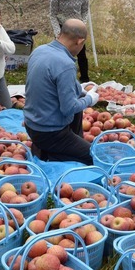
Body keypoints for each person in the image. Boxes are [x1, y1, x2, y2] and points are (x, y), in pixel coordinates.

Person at [23, 19, 99, 164]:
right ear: (79, 41)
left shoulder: (40, 50)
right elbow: (68, 108)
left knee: (79, 96)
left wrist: (79, 88)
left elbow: (50, 82)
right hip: (49, 133)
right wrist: (91, 99)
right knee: (95, 156)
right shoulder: (66, 64)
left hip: (31, 125)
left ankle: (63, 145)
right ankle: (50, 153)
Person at [49, 0, 91, 83]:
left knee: (81, 53)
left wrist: (82, 25)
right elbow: (52, 15)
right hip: (63, 27)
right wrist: (58, 32)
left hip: (77, 26)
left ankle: (85, 78)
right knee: (61, 54)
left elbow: (85, 12)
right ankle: (59, 77)